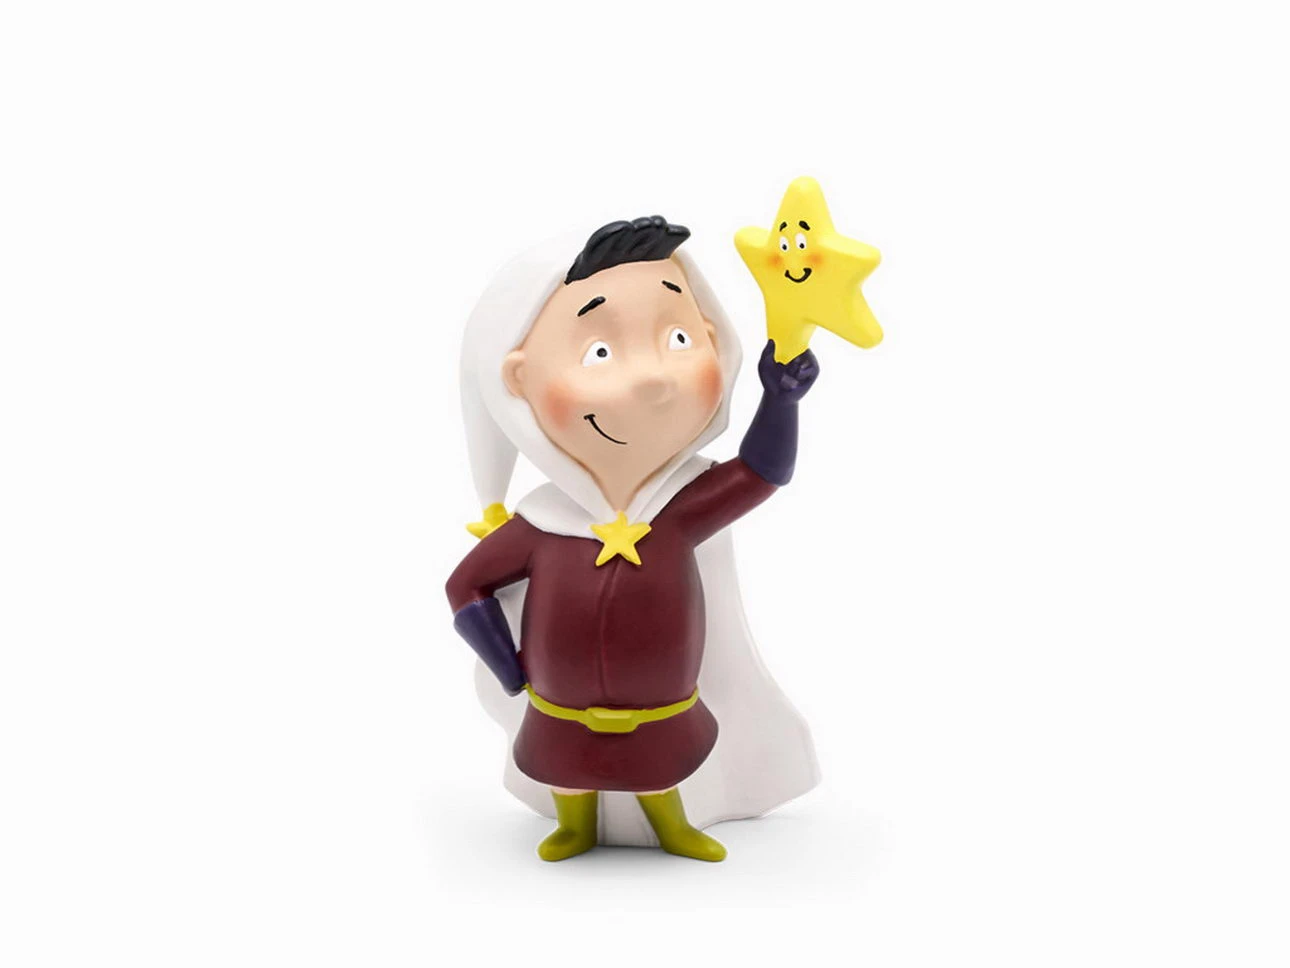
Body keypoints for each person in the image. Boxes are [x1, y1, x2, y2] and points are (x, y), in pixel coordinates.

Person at [447, 216, 820, 861]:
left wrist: (780, 401)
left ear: (714, 342)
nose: (652, 378)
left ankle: (673, 825)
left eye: (678, 339)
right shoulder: (544, 523)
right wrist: (510, 668)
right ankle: (574, 824)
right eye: (599, 352)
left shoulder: (679, 511)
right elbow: (465, 585)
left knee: (659, 764)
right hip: (559, 709)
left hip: (663, 707)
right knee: (564, 764)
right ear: (517, 378)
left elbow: (761, 473)